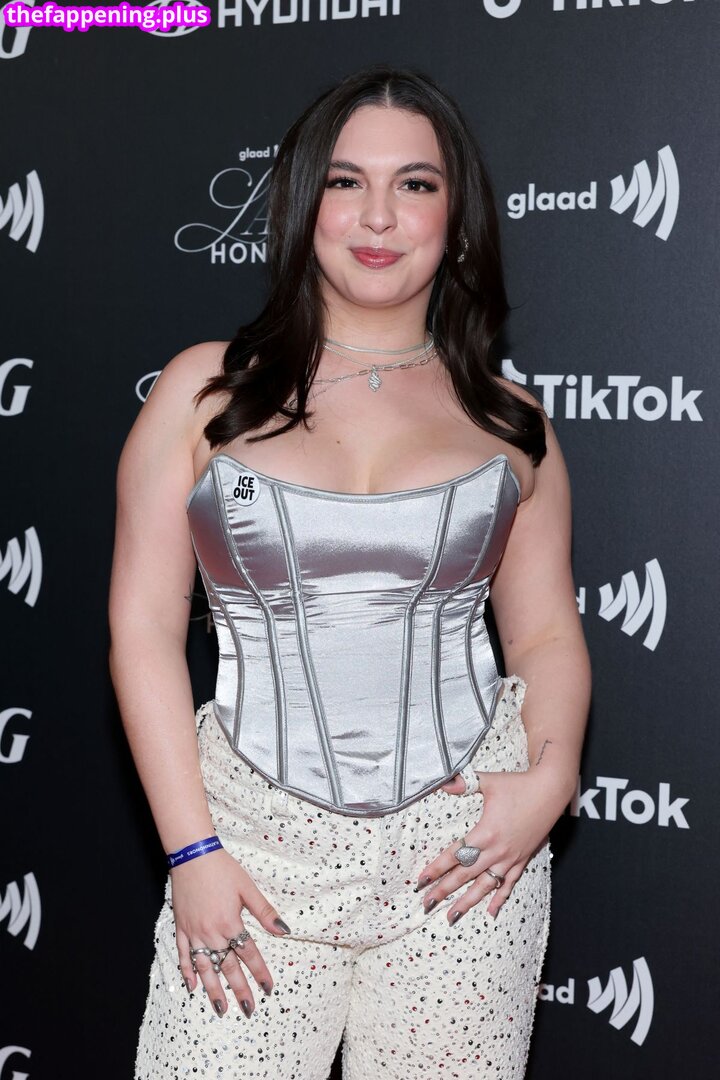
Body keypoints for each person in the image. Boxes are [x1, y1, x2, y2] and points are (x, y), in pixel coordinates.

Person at [109, 66, 590, 1080]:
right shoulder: (204, 392)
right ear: (302, 207)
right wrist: (192, 851)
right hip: (248, 849)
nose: (378, 216)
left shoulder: (513, 420)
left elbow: (546, 634)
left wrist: (550, 779)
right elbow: (144, 630)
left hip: (464, 865)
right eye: (345, 182)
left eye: (415, 184)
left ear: (457, 219)